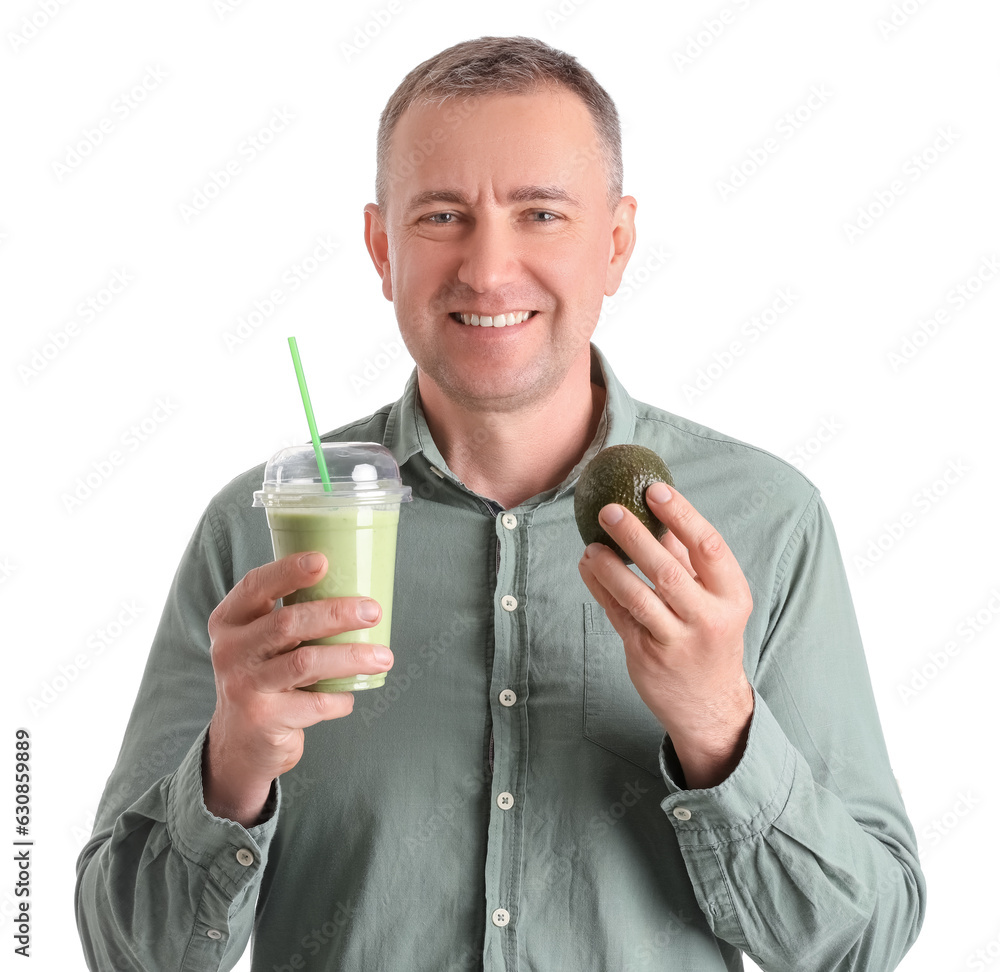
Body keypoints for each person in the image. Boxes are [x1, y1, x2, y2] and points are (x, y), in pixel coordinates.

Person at [76, 36, 925, 971]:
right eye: (442, 215)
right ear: (380, 248)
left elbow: (863, 942)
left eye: (540, 213)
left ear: (615, 243)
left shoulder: (766, 518)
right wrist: (234, 764)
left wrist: (721, 724)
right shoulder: (258, 530)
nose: (487, 268)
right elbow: (129, 953)